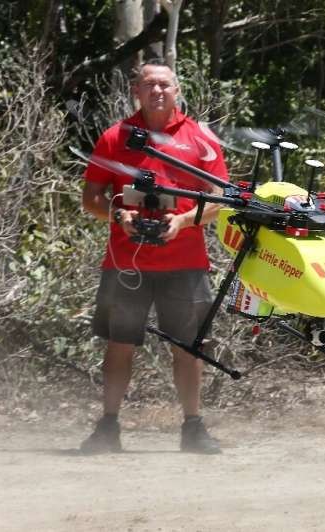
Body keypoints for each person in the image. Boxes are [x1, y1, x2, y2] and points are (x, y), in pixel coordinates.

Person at [79, 60, 227, 454]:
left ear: (177, 90)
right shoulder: (115, 137)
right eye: (148, 85)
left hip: (185, 262)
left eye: (164, 84)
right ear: (136, 91)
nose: (157, 91)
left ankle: (193, 428)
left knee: (189, 346)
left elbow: (219, 199)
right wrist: (118, 215)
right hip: (126, 262)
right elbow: (90, 198)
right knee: (119, 343)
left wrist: (181, 221)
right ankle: (107, 427)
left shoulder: (201, 139)